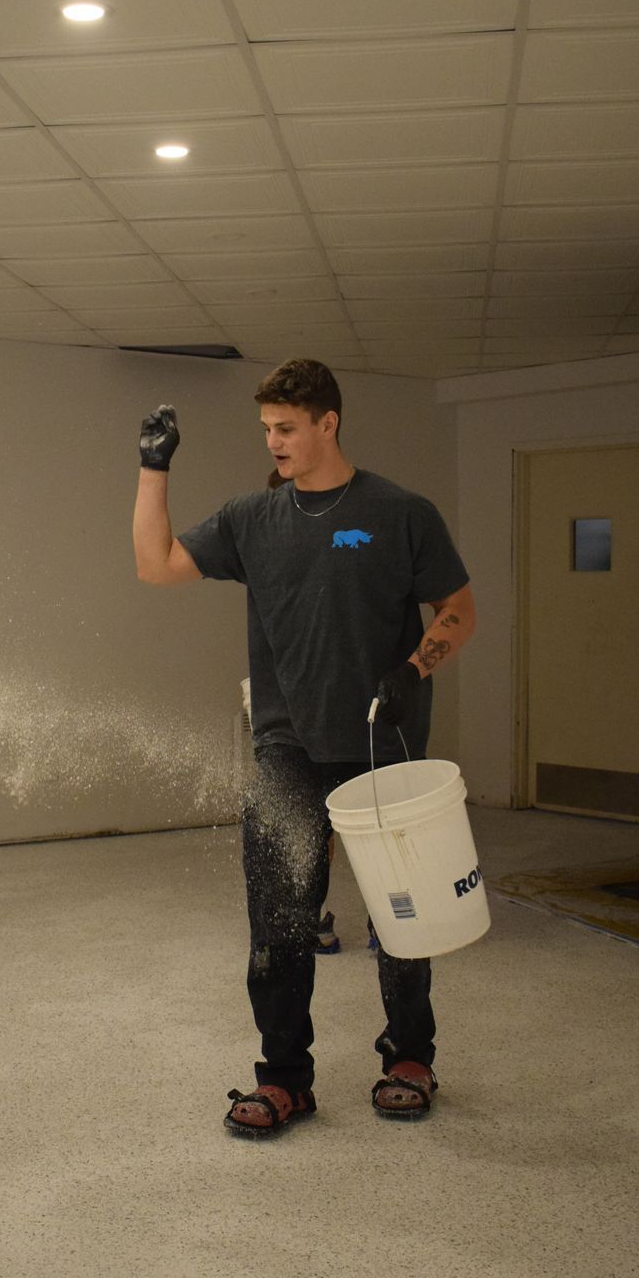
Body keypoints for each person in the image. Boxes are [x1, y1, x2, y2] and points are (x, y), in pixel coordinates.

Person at [131, 358, 476, 1139]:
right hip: (288, 750)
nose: (275, 441)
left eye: (287, 428)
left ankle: (409, 1059)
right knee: (279, 925)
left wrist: (416, 665)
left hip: (383, 745)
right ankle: (285, 1079)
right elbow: (154, 567)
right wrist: (154, 470)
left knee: (403, 917)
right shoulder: (252, 519)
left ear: (329, 423)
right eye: (267, 430)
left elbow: (458, 607)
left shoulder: (401, 512)